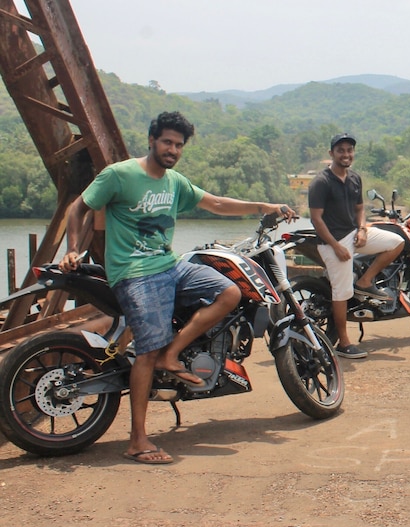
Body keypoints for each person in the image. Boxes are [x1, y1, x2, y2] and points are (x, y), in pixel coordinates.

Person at [59, 111, 296, 465]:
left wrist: (266, 206)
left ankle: (175, 353)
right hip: (134, 273)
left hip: (170, 266)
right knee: (147, 353)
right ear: (152, 140)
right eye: (167, 142)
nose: (172, 149)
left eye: (179, 145)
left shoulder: (174, 183)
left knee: (229, 292)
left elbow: (215, 203)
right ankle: (138, 440)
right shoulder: (120, 175)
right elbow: (77, 209)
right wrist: (73, 249)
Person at [308, 132, 404, 359]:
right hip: (333, 241)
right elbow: (316, 219)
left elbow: (360, 209)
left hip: (354, 234)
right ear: (332, 153)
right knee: (341, 292)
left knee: (397, 242)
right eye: (340, 150)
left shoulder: (354, 178)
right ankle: (343, 343)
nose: (346, 154)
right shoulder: (321, 182)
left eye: (349, 150)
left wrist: (362, 230)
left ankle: (365, 280)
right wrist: (336, 246)